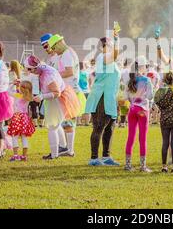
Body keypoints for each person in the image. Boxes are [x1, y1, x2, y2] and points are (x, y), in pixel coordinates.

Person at [85, 28, 121, 166]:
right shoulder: (104, 57)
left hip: (109, 97)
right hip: (102, 97)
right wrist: (117, 39)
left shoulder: (109, 60)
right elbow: (116, 55)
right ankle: (94, 158)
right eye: (110, 45)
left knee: (110, 127)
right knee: (99, 127)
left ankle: (106, 156)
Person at [24, 55, 71, 160]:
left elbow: (56, 92)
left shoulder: (47, 76)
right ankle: (62, 147)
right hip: (55, 99)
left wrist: (42, 96)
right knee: (56, 125)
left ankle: (54, 155)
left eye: (29, 69)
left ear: (34, 67)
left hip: (57, 99)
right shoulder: (42, 69)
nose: (28, 71)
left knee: (51, 126)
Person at [47, 34, 83, 157]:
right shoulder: (68, 52)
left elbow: (69, 72)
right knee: (66, 121)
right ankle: (66, 148)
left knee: (68, 122)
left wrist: (54, 74)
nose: (54, 51)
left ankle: (70, 150)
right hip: (70, 90)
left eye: (54, 48)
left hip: (69, 90)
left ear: (59, 43)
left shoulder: (67, 54)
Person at [124, 57, 154, 172]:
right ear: (141, 67)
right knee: (142, 138)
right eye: (145, 66)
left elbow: (126, 97)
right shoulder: (146, 80)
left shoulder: (130, 80)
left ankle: (127, 165)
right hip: (142, 110)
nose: (146, 68)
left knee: (130, 137)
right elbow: (150, 96)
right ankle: (143, 166)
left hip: (132, 110)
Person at [154, 71, 173, 173]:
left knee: (165, 142)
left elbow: (157, 102)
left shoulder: (160, 91)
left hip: (164, 119)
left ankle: (164, 166)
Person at [7, 80, 36, 161]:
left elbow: (7, 91)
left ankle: (15, 155)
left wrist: (12, 84)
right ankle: (24, 156)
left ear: (21, 88)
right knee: (24, 137)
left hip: (17, 117)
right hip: (25, 118)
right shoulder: (29, 96)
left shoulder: (18, 95)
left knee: (15, 137)